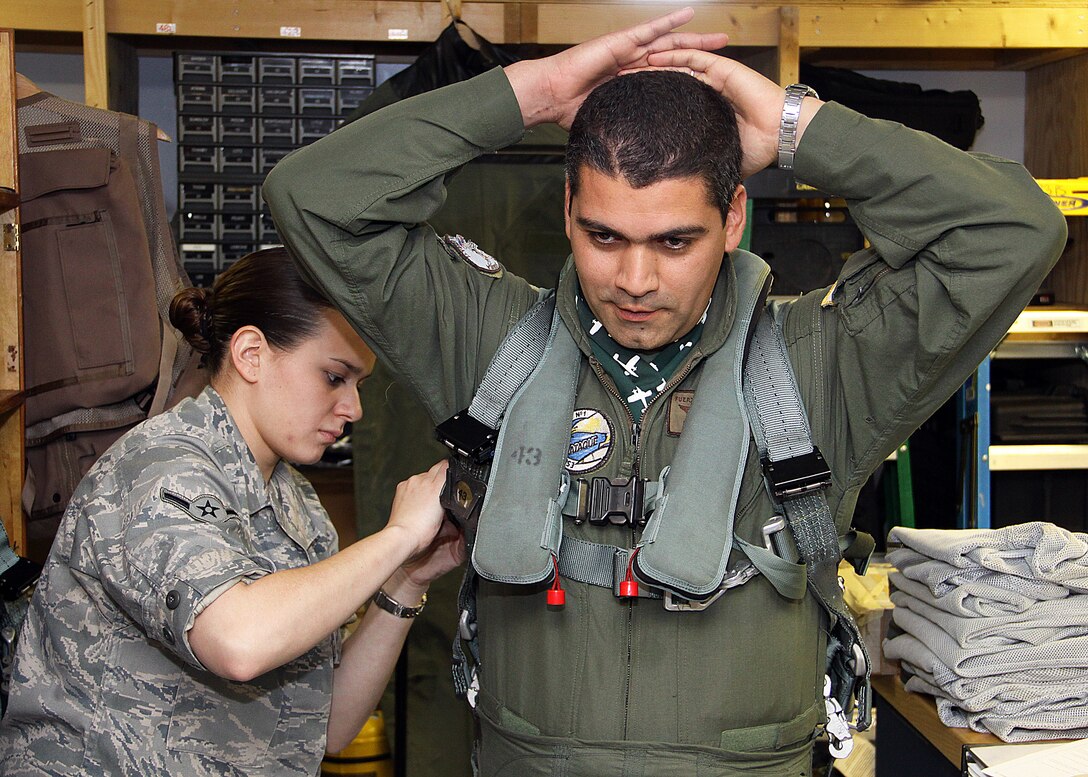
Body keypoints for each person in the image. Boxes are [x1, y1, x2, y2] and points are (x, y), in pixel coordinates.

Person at [263, 8, 1068, 775]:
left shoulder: (825, 362)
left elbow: (1013, 232)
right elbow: (314, 197)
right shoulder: (490, 342)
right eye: (604, 235)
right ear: (568, 209)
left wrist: (798, 126)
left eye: (675, 241)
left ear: (734, 217)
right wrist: (531, 94)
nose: (635, 280)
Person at [0, 247, 464, 776]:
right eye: (335, 377)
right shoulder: (160, 469)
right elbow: (238, 642)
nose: (354, 409)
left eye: (359, 385)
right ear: (250, 354)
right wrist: (399, 535)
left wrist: (406, 580)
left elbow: (329, 726)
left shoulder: (297, 504)